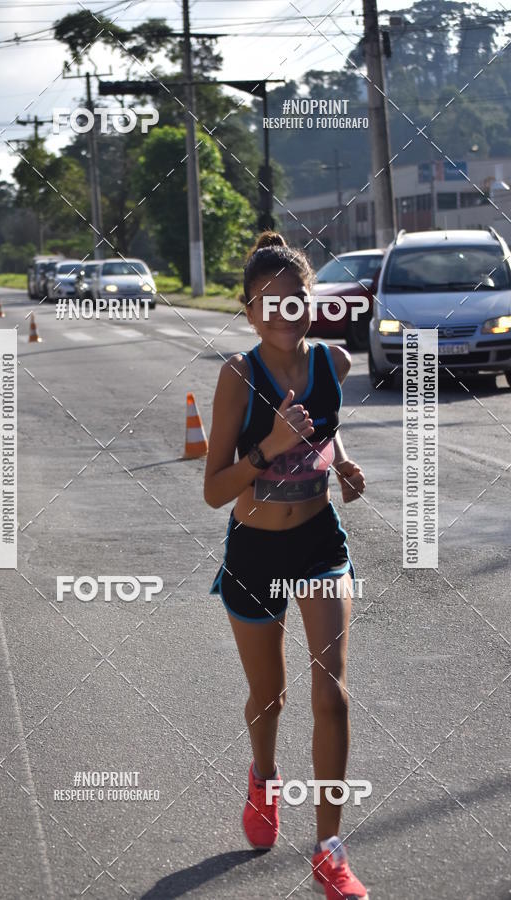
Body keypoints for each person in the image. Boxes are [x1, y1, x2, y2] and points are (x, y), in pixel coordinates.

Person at [204, 231, 368, 900]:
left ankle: (329, 850)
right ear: (249, 312)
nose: (282, 311)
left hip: (319, 545)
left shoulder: (335, 361)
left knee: (331, 695)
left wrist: (341, 462)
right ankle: (264, 778)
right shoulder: (238, 378)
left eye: (294, 298)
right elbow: (214, 489)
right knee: (269, 696)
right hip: (255, 549)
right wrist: (270, 447)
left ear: (311, 301)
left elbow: (324, 426)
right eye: (267, 302)